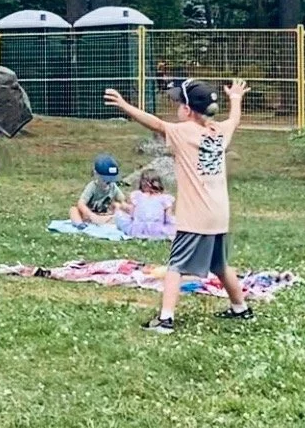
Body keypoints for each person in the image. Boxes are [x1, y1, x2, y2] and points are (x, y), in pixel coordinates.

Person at [104, 78, 252, 334]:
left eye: (178, 102)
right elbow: (234, 120)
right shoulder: (219, 132)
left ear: (188, 110)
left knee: (175, 267)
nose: (176, 108)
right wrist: (236, 99)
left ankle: (166, 319)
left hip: (196, 216)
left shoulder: (184, 132)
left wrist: (125, 106)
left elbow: (156, 124)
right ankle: (241, 308)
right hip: (219, 214)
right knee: (219, 264)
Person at [114, 170, 176, 240]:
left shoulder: (137, 196)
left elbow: (132, 214)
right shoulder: (165, 199)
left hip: (138, 229)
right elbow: (168, 218)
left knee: (120, 217)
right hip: (156, 230)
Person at [69, 155, 124, 227]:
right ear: (96, 174)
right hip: (89, 216)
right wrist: (90, 215)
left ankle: (108, 222)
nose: (108, 182)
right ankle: (80, 224)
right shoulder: (92, 187)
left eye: (111, 179)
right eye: (105, 179)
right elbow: (81, 203)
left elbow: (123, 200)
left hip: (105, 216)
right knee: (73, 210)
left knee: (118, 206)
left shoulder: (113, 187)